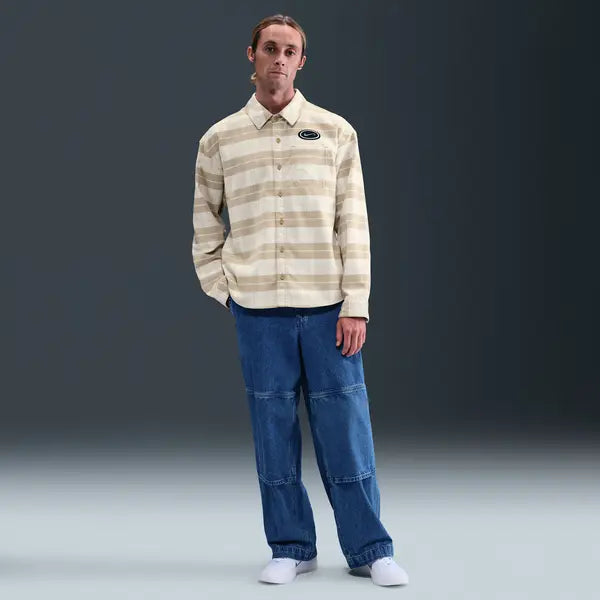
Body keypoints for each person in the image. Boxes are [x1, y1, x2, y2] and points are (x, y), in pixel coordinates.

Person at [191, 14, 409, 587]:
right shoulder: (220, 140)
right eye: (270, 48)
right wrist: (227, 290)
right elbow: (204, 224)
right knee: (273, 433)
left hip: (328, 311)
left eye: (290, 51)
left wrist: (356, 303)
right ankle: (291, 546)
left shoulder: (335, 132)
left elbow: (353, 222)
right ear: (252, 55)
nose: (280, 59)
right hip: (258, 313)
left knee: (346, 432)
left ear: (302, 61)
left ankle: (370, 549)